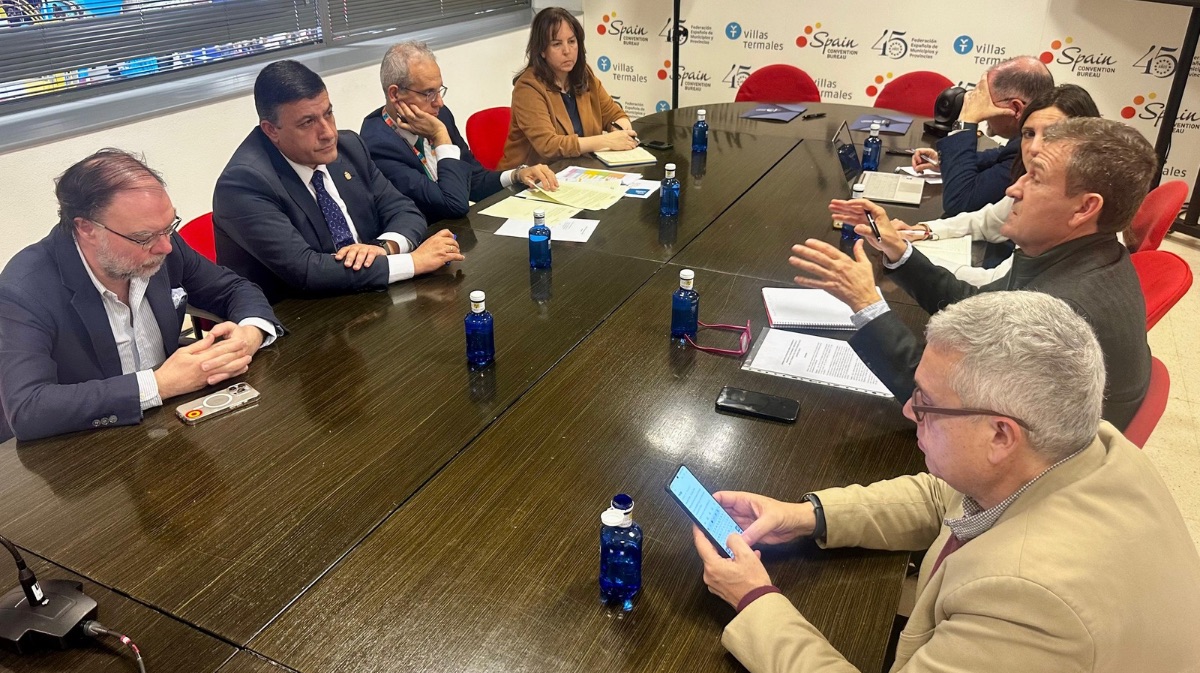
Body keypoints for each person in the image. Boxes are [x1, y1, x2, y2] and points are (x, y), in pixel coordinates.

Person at [691, 291, 1200, 672]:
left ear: (1000, 435)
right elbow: (945, 495)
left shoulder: (1027, 601)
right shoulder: (1082, 445)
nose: (910, 412)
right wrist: (807, 516)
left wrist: (754, 599)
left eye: (927, 403)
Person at [802, 117, 1153, 429]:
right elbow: (975, 307)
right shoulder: (1083, 254)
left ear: (1084, 208)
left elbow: (940, 407)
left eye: (1035, 178)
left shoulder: (1061, 312)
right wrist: (899, 250)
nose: (1014, 189)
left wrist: (867, 304)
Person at [0, 149, 282, 442]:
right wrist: (159, 384)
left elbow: (234, 288)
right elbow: (28, 409)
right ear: (86, 229)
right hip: (89, 447)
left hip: (172, 428)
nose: (165, 247)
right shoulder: (24, 290)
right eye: (143, 237)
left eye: (169, 227)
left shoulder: (161, 243)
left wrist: (250, 334)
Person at [213, 60, 463, 303]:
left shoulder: (349, 147)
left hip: (369, 299)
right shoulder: (243, 183)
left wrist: (384, 248)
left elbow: (405, 210)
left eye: (328, 113)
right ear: (271, 130)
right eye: (308, 122)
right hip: (299, 316)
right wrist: (412, 262)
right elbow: (306, 270)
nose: (328, 133)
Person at [892, 84, 1100, 286]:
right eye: (1029, 134)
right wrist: (922, 230)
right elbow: (987, 221)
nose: (1034, 148)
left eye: (1052, 135)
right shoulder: (1031, 178)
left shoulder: (1072, 204)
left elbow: (996, 284)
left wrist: (905, 254)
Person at [360, 41, 559, 224]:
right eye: (428, 93)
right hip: (426, 239)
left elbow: (474, 180)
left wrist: (517, 174)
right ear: (395, 94)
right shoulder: (378, 146)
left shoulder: (440, 116)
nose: (439, 103)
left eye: (439, 90)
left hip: (457, 233)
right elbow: (453, 204)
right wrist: (441, 137)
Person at [911, 56, 1054, 218]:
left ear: (1015, 108)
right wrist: (945, 160)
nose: (978, 106)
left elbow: (960, 202)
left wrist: (967, 120)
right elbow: (1000, 155)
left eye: (985, 101)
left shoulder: (1036, 152)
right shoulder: (1026, 139)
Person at [499, 7, 638, 169]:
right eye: (557, 44)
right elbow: (549, 145)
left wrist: (621, 130)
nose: (567, 51)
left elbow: (613, 114)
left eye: (572, 42)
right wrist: (606, 141)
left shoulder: (584, 75)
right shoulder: (528, 88)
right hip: (532, 176)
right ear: (542, 50)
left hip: (578, 170)